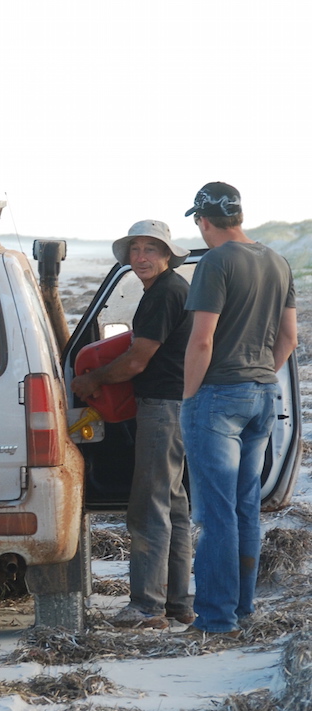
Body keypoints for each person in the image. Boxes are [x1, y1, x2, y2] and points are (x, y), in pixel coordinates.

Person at [181, 182, 298, 635]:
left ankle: (215, 617)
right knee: (246, 507)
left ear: (203, 220)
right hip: (263, 394)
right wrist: (260, 374)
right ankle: (242, 609)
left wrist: (190, 398)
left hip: (217, 398)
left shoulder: (216, 262)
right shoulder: (277, 261)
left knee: (216, 513)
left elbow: (202, 340)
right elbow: (289, 337)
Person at [71, 220, 193, 629]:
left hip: (162, 408)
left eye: (150, 249)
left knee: (148, 507)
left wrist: (94, 379)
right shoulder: (167, 290)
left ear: (167, 255)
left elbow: (137, 360)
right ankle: (177, 604)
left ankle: (146, 607)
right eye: (135, 249)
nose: (141, 257)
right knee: (173, 506)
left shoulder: (164, 293)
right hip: (176, 406)